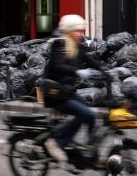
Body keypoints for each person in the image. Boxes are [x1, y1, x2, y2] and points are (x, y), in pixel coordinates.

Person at [42, 14, 106, 164]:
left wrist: (109, 69)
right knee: (85, 114)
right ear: (69, 31)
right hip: (55, 94)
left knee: (91, 117)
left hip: (68, 92)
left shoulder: (78, 47)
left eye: (81, 30)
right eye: (77, 30)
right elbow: (58, 65)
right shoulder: (60, 45)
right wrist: (76, 71)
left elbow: (91, 61)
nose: (81, 34)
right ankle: (56, 142)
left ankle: (93, 154)